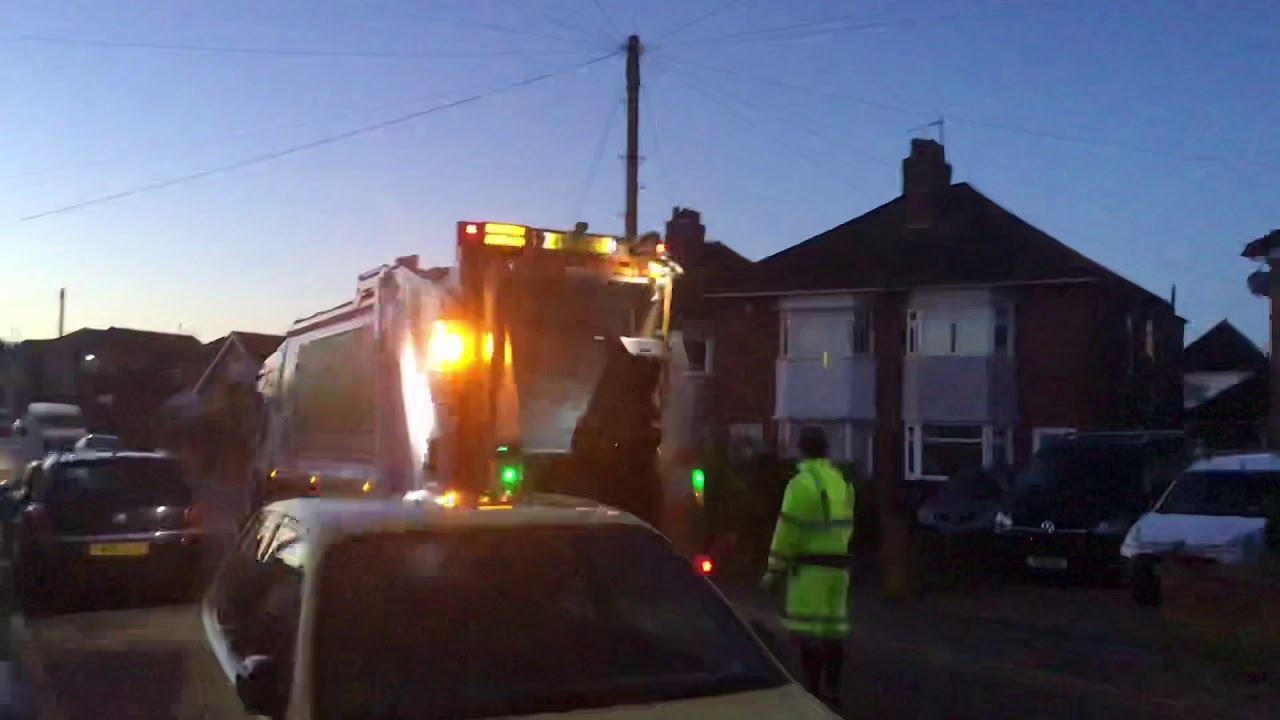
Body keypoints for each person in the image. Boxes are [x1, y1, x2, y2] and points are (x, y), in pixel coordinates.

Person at [762, 427, 855, 708]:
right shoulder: (841, 481)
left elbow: (788, 531)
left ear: (801, 450)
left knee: (808, 634)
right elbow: (847, 526)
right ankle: (833, 691)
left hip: (810, 570)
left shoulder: (801, 484)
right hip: (838, 571)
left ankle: (812, 692)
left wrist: (773, 570)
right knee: (833, 634)